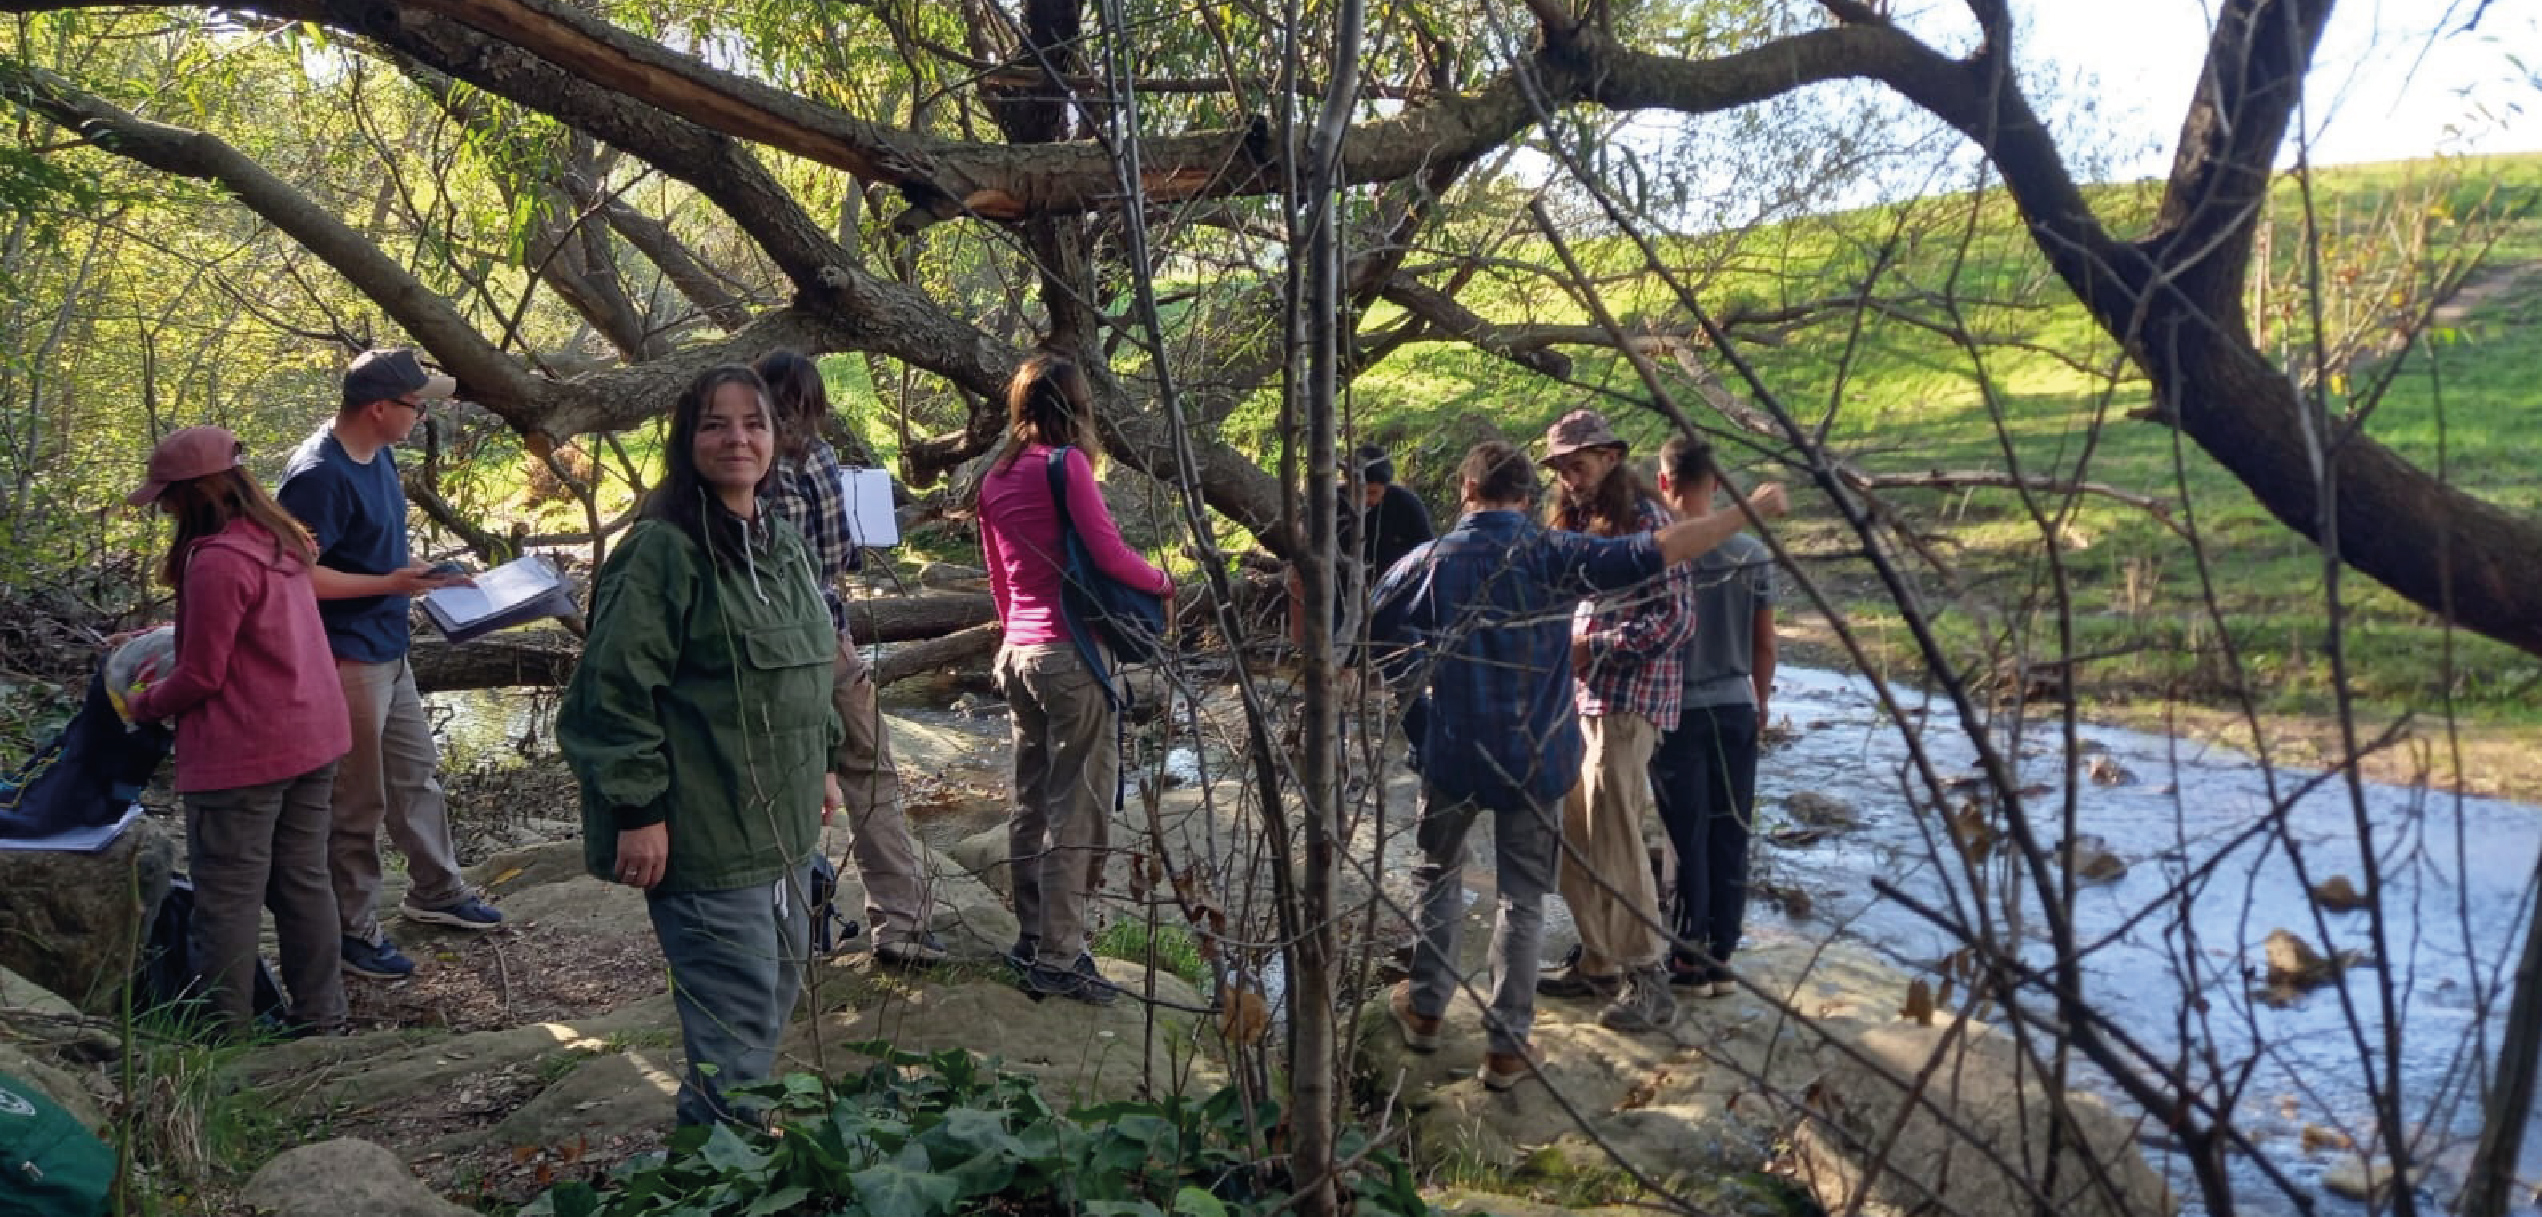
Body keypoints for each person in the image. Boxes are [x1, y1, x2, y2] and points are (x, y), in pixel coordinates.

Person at [1371, 440, 1786, 1090]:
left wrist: (1417, 710)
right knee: (1523, 897)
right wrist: (1749, 511)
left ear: (1466, 491)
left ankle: (1425, 1010)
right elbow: (1657, 552)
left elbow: (1372, 632)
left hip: (1453, 751)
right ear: (1527, 497)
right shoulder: (1553, 553)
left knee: (1436, 875)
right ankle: (1507, 1048)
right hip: (1538, 756)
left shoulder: (1430, 559)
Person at [557, 365, 844, 1127]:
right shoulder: (661, 551)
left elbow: (810, 667)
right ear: (687, 439)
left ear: (777, 437)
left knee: (773, 1002)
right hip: (707, 839)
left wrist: (823, 761)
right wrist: (638, 808)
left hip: (782, 833)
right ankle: (720, 1179)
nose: (738, 439)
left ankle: (730, 1169)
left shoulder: (778, 541)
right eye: (716, 424)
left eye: (754, 423)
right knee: (738, 1035)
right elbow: (610, 695)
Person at [277, 348, 503, 982]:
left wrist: (427, 578)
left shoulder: (378, 455)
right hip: (343, 657)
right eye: (415, 405)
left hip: (388, 646)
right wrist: (391, 585)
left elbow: (374, 556)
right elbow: (297, 577)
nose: (422, 415)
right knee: (357, 801)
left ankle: (437, 892)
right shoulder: (317, 475)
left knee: (415, 776)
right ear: (379, 409)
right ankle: (352, 931)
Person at [122, 427, 350, 1038]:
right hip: (313, 735)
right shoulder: (281, 541)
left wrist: (140, 705)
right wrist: (157, 639)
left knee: (226, 897)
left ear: (198, 491)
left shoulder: (217, 559)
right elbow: (249, 636)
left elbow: (201, 675)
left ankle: (227, 1036)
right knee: (304, 882)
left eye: (167, 495)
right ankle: (321, 1019)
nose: (164, 507)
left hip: (247, 753)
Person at [976, 351, 1175, 1005]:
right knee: (1076, 806)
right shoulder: (1067, 468)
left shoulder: (994, 476)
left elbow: (1002, 583)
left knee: (1031, 797)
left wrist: (1016, 642)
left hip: (1019, 653)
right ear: (1076, 407)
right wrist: (1163, 580)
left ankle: (1032, 937)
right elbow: (1108, 554)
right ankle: (1062, 956)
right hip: (1068, 655)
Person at [755, 350, 944, 968]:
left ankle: (785, 931)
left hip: (763, 648)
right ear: (813, 402)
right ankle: (901, 924)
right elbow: (842, 557)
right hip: (827, 637)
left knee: (776, 781)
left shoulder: (751, 466)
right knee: (870, 776)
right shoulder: (824, 458)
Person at [1534, 408, 1697, 1035]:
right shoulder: (1572, 523)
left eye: (1579, 464)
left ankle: (1647, 975)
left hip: (1630, 700)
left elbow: (1677, 622)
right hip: (1576, 700)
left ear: (1608, 457)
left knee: (1616, 832)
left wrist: (1595, 648)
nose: (1570, 477)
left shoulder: (1651, 521)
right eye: (1562, 468)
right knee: (1573, 831)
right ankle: (1598, 959)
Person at [1651, 435, 1776, 997]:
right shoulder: (1751, 555)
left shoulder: (1661, 551)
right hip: (1734, 707)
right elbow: (1764, 644)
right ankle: (1722, 955)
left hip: (1676, 710)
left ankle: (1687, 957)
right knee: (1731, 829)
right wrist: (1762, 701)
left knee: (1685, 836)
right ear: (1717, 485)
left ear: (1662, 483)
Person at [1353, 444, 1434, 580]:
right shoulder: (1335, 504)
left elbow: (1427, 552)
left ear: (1385, 487)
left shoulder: (1407, 504)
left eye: (1373, 493)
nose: (1366, 499)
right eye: (1358, 492)